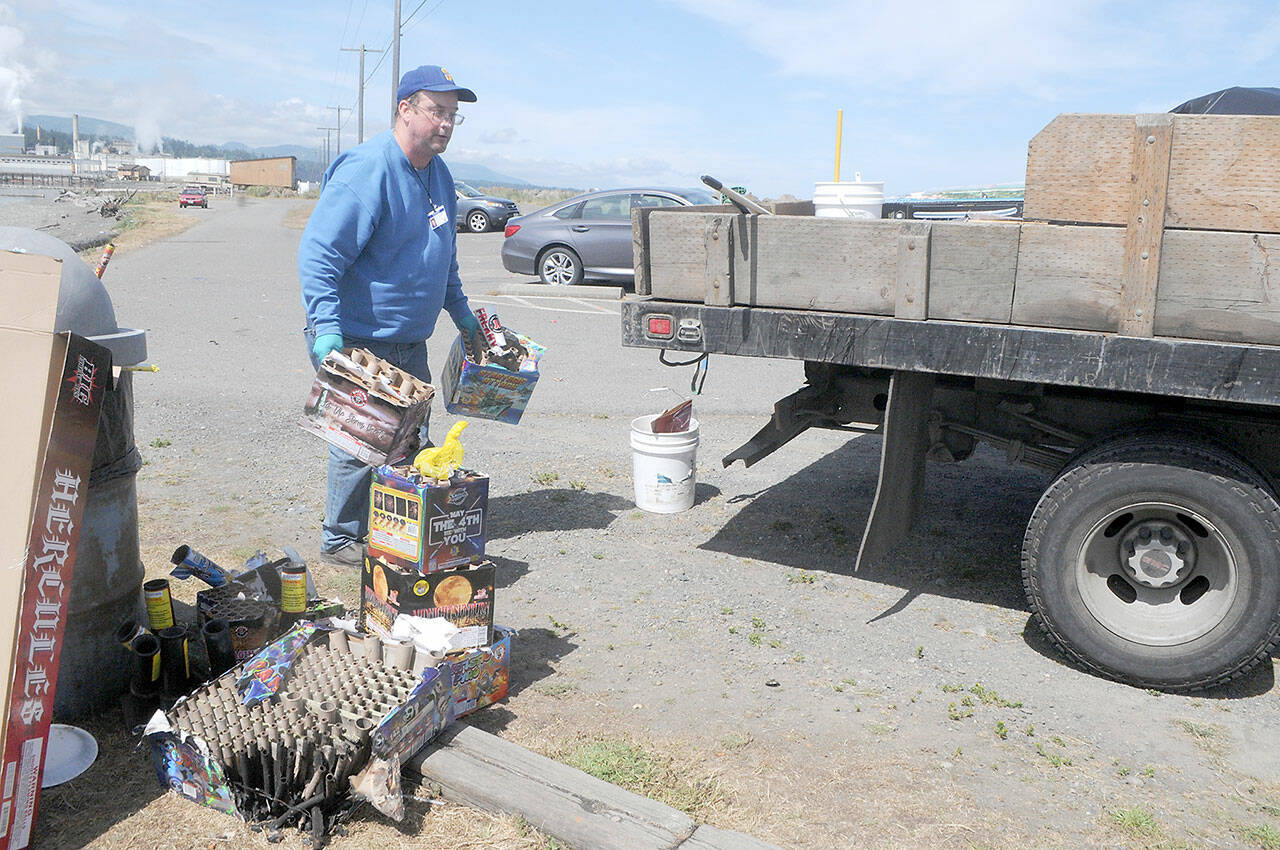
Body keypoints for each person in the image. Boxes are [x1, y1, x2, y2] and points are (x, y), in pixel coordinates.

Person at [298, 64, 482, 566]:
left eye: (453, 115)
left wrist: (461, 312)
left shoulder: (438, 175)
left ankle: (389, 529)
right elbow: (319, 253)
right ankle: (340, 538)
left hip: (408, 339)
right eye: (436, 111)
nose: (445, 124)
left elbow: (443, 255)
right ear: (404, 109)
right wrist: (326, 323)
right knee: (362, 440)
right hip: (360, 336)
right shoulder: (369, 169)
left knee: (406, 441)